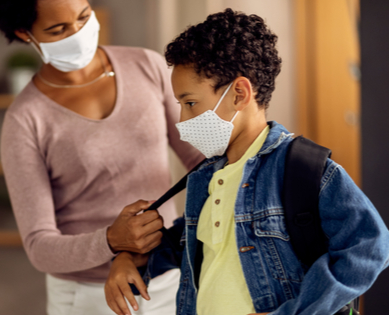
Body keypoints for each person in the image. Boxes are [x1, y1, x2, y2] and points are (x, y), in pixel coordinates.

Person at [104, 8, 389, 315]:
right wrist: (125, 258)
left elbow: (370, 247)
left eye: (190, 103)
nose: (182, 119)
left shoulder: (304, 170)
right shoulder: (205, 176)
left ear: (239, 93)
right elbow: (191, 244)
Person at [0, 0, 202, 314]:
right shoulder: (25, 120)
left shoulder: (147, 66)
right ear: (24, 34)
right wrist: (112, 241)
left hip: (168, 279)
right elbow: (39, 246)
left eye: (84, 16)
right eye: (58, 29)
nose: (78, 33)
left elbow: (201, 161)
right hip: (89, 295)